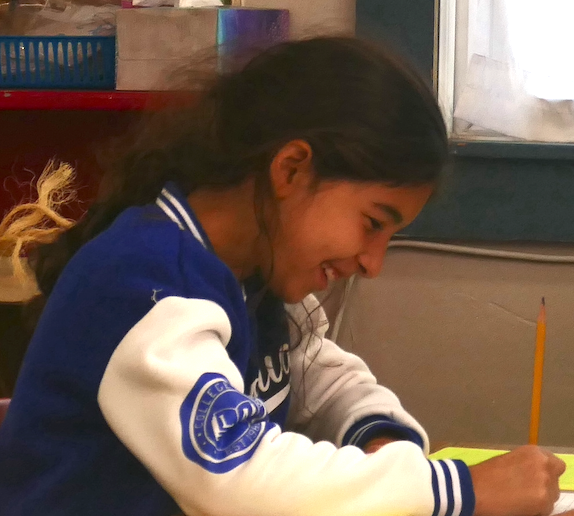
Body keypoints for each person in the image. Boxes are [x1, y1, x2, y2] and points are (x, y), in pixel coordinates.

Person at [0, 36, 566, 516]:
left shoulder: (256, 271)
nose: (373, 262)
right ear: (291, 170)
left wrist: (378, 434)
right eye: (373, 223)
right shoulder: (143, 283)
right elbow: (241, 479)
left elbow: (317, 372)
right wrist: (458, 492)